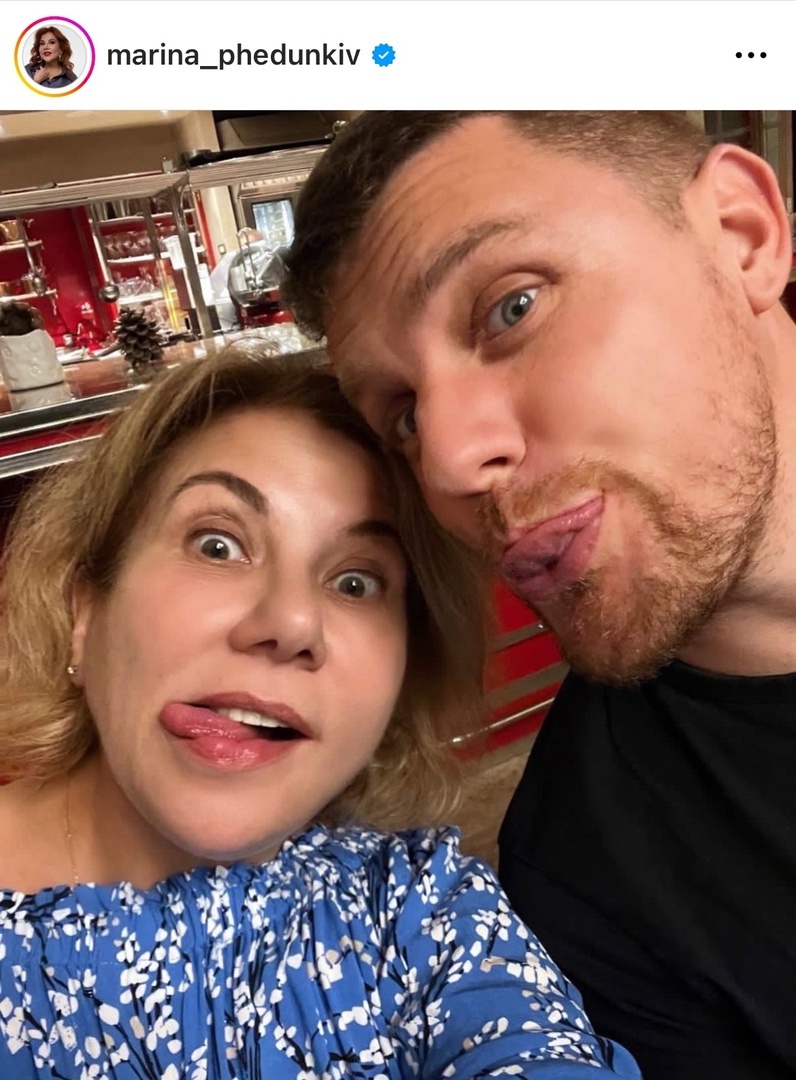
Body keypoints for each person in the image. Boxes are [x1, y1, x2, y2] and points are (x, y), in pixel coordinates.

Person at [282, 110, 796, 1080]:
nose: (448, 464)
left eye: (510, 308)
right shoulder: (591, 869)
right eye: (404, 418)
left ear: (741, 235)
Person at [0, 344, 640, 1079]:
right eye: (218, 544)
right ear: (85, 611)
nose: (291, 622)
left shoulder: (420, 915)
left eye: (356, 583)